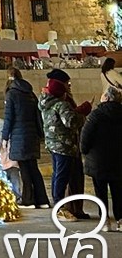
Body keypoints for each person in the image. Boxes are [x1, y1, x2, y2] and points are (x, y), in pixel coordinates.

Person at [39, 68, 90, 220]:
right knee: (61, 177)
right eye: (67, 84)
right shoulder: (61, 104)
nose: (70, 86)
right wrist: (82, 113)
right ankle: (60, 207)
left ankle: (65, 206)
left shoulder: (46, 102)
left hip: (55, 144)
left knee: (59, 176)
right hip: (64, 145)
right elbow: (71, 122)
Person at [2, 68, 49, 207]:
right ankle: (42, 200)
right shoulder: (30, 94)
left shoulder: (11, 95)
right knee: (33, 168)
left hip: (19, 136)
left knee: (24, 170)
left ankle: (28, 200)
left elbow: (8, 118)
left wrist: (5, 137)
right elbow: (38, 116)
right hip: (32, 135)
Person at [80, 86, 122, 230]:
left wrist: (84, 152)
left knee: (101, 192)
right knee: (118, 192)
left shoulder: (95, 115)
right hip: (119, 161)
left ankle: (105, 222)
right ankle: (121, 220)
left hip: (98, 161)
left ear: (107, 98)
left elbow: (85, 138)